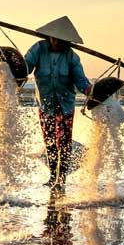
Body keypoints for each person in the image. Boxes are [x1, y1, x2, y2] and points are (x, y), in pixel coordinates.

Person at [23, 17, 91, 194]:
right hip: (46, 105)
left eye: (64, 42)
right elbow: (25, 68)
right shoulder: (38, 49)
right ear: (51, 38)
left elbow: (81, 81)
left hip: (65, 105)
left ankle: (61, 180)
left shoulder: (72, 57)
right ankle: (53, 177)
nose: (60, 44)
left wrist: (91, 90)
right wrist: (12, 67)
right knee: (50, 143)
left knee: (64, 144)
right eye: (58, 40)